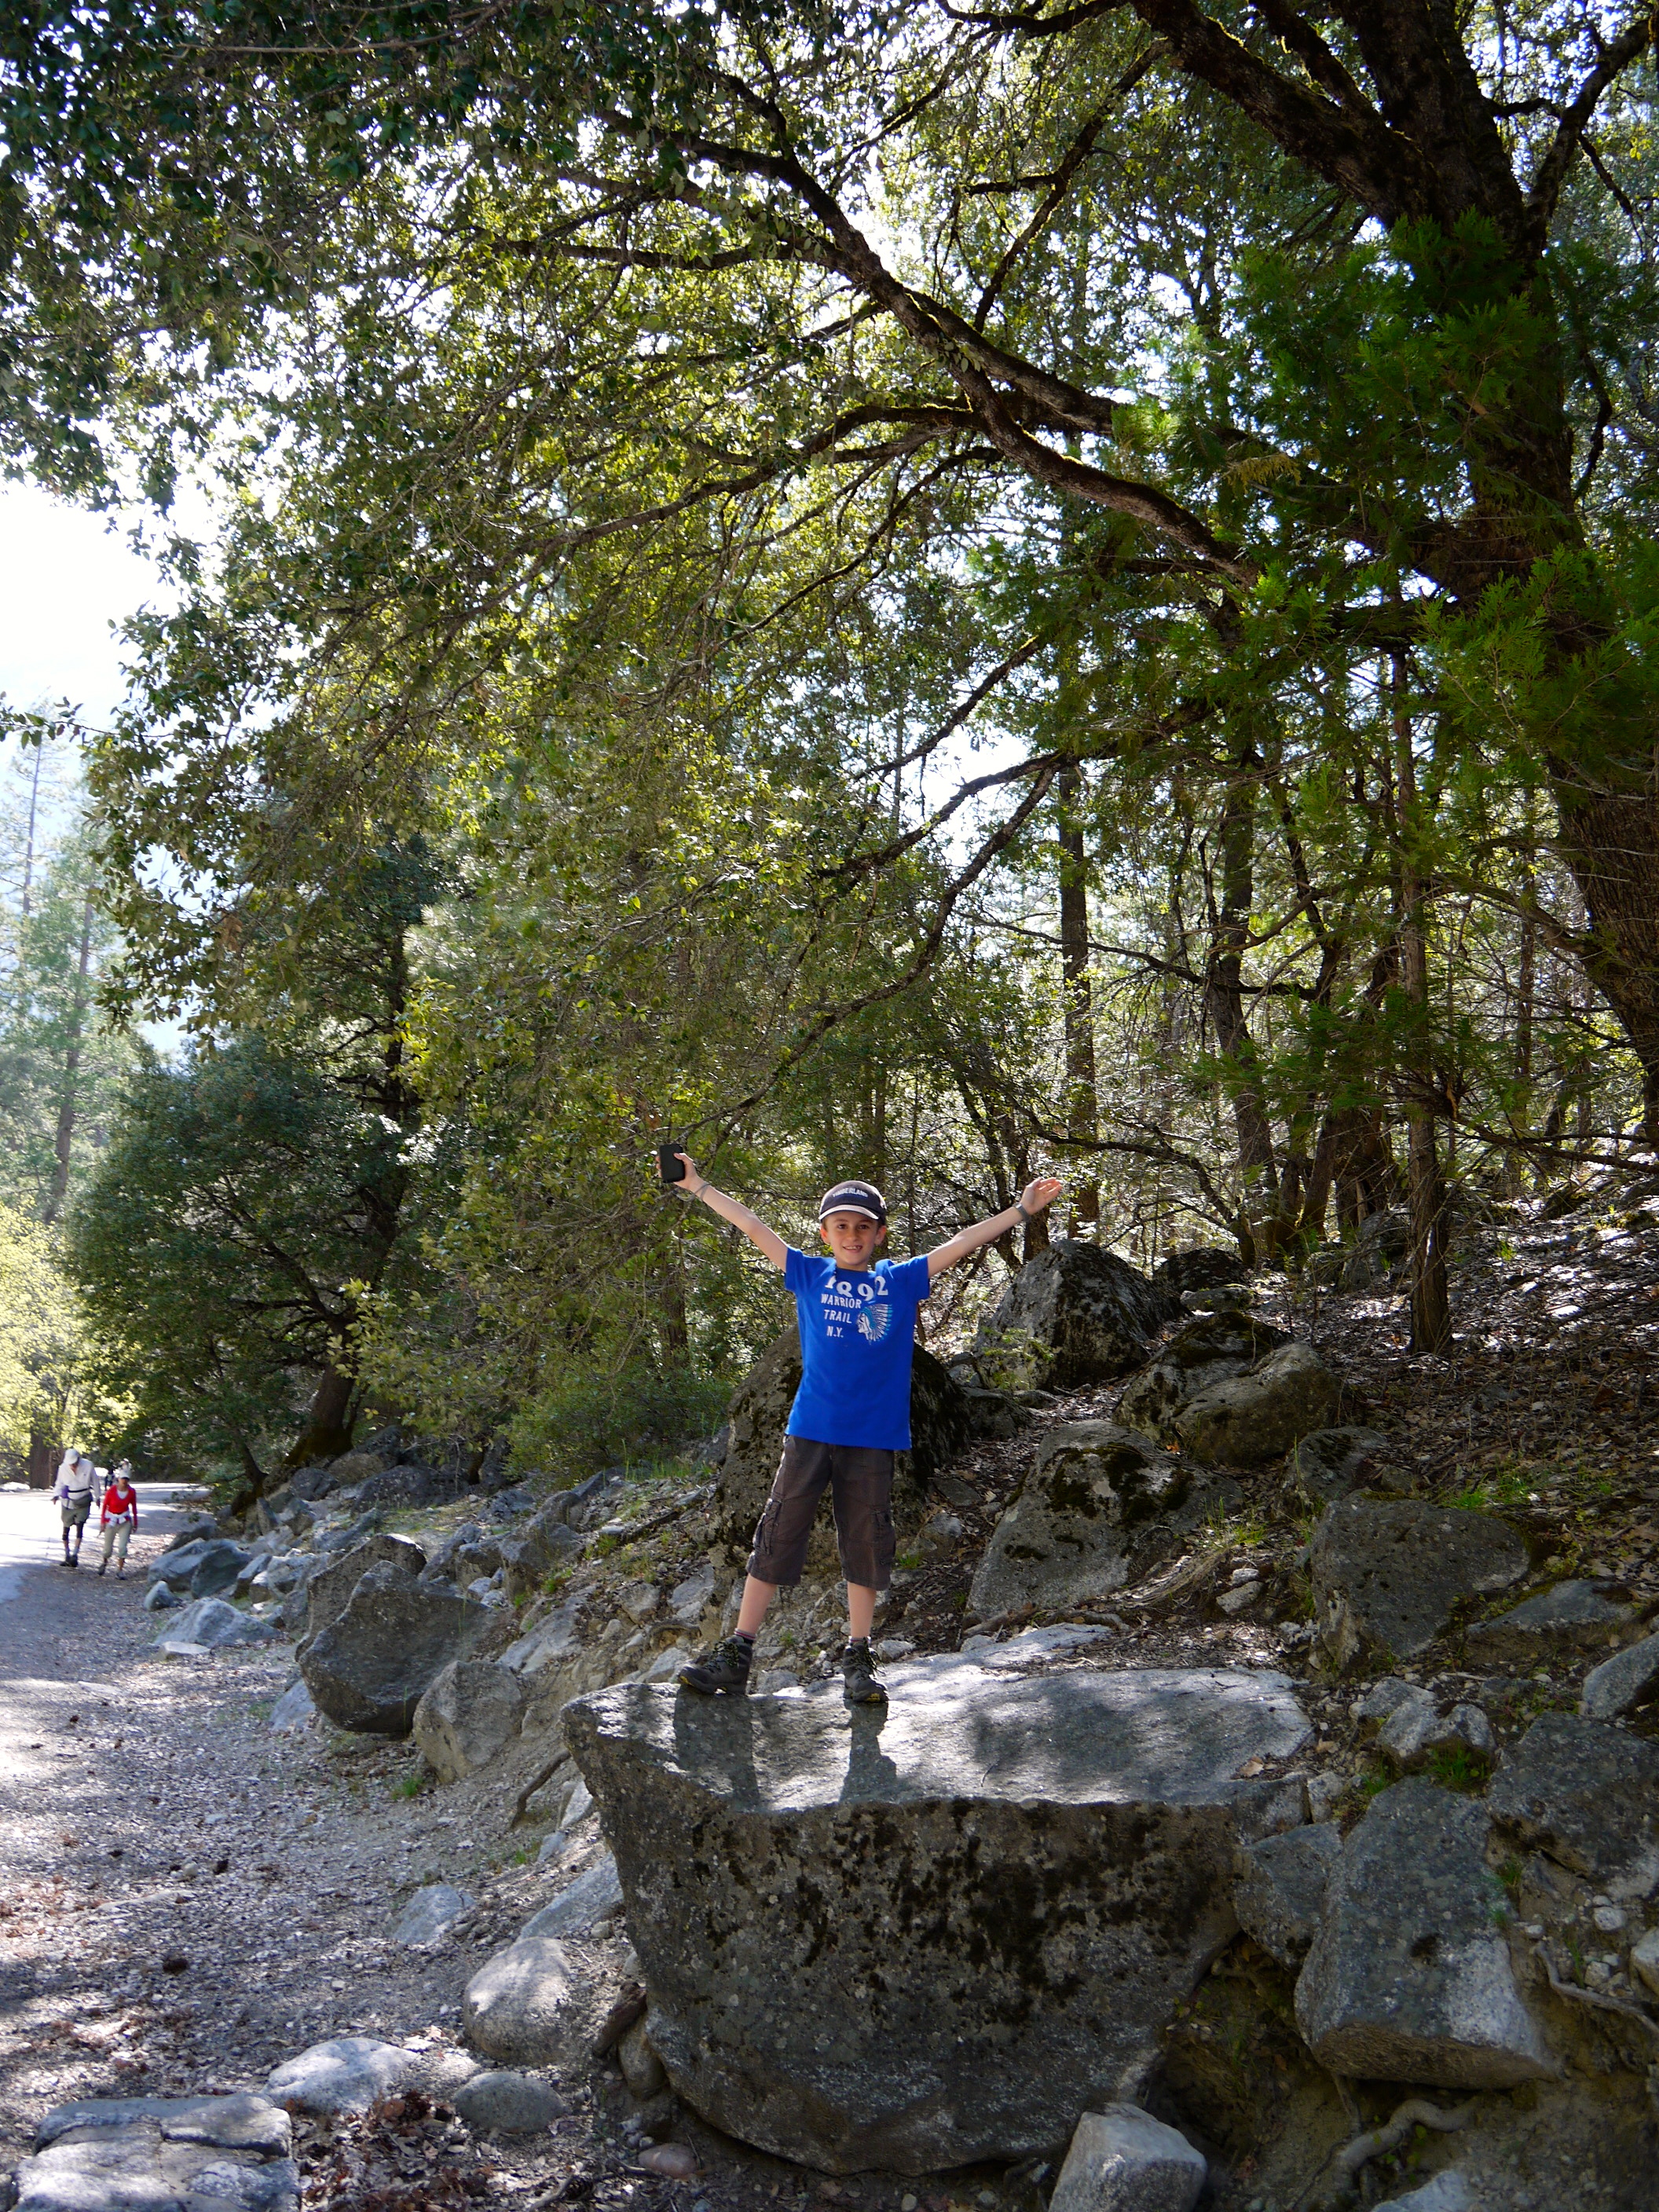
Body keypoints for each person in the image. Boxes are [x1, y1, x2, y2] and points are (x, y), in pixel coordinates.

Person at [672, 1159, 1063, 1704]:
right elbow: (752, 1225)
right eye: (841, 1226)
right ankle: (739, 1650)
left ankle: (858, 1654)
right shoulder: (809, 1274)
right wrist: (697, 1185)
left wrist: (1021, 1211)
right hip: (811, 1432)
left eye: (862, 1226)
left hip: (873, 1439)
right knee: (777, 1533)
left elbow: (962, 1242)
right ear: (824, 1233)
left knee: (866, 1541)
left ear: (879, 1234)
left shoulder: (896, 1282)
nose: (851, 1235)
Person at [53, 1449, 94, 1567]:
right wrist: (56, 1495)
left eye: (74, 1463)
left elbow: (95, 1481)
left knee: (80, 1527)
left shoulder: (88, 1465)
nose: (72, 1466)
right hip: (68, 1502)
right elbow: (59, 1483)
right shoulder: (63, 1468)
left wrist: (97, 1497)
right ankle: (67, 1555)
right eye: (70, 1464)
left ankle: (75, 1554)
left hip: (83, 1501)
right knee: (66, 1530)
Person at [97, 1463, 138, 1577]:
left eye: (126, 1479)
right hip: (111, 1520)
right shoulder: (111, 1491)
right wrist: (102, 1522)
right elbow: (105, 1506)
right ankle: (104, 1562)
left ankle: (120, 1570)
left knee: (122, 1546)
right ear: (118, 1479)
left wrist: (135, 1523)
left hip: (125, 1521)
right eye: (123, 1478)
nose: (124, 1481)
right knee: (107, 1548)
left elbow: (134, 1507)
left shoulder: (131, 1492)